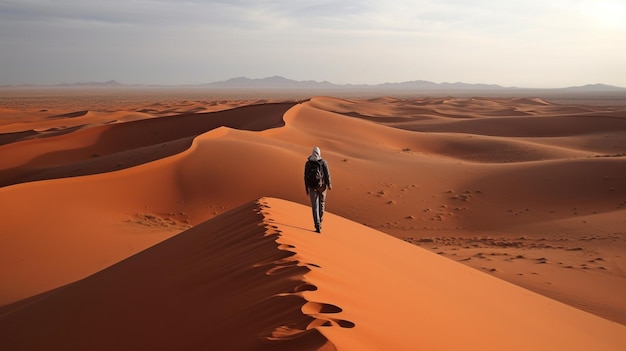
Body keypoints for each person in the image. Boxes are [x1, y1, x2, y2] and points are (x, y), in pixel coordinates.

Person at [304, 147, 332, 233]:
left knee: (315, 206)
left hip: (312, 187)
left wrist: (307, 189)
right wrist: (329, 184)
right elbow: (327, 175)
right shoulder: (323, 162)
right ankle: (321, 220)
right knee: (322, 204)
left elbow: (305, 177)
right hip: (322, 187)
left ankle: (317, 225)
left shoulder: (308, 163)